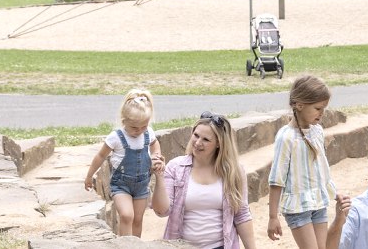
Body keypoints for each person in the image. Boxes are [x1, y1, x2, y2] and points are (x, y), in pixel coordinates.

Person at [153, 111, 259, 249]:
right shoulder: (175, 167)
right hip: (182, 245)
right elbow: (162, 211)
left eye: (206, 139)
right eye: (196, 135)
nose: (197, 143)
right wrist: (159, 177)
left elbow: (242, 215)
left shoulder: (234, 171)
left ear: (218, 143)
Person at [84, 88, 164, 237]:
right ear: (124, 120)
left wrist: (156, 155)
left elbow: (155, 144)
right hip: (121, 185)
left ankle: (136, 245)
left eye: (144, 126)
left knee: (138, 220)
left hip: (141, 186)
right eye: (134, 127)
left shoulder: (148, 133)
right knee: (127, 216)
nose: (139, 131)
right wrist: (89, 176)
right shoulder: (116, 137)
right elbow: (100, 156)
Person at [268, 75, 337, 249]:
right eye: (318, 108)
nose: (322, 113)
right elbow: (277, 179)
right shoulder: (286, 138)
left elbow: (322, 169)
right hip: (297, 208)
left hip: (318, 202)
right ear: (299, 105)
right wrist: (272, 217)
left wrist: (335, 193)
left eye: (324, 108)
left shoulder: (317, 131)